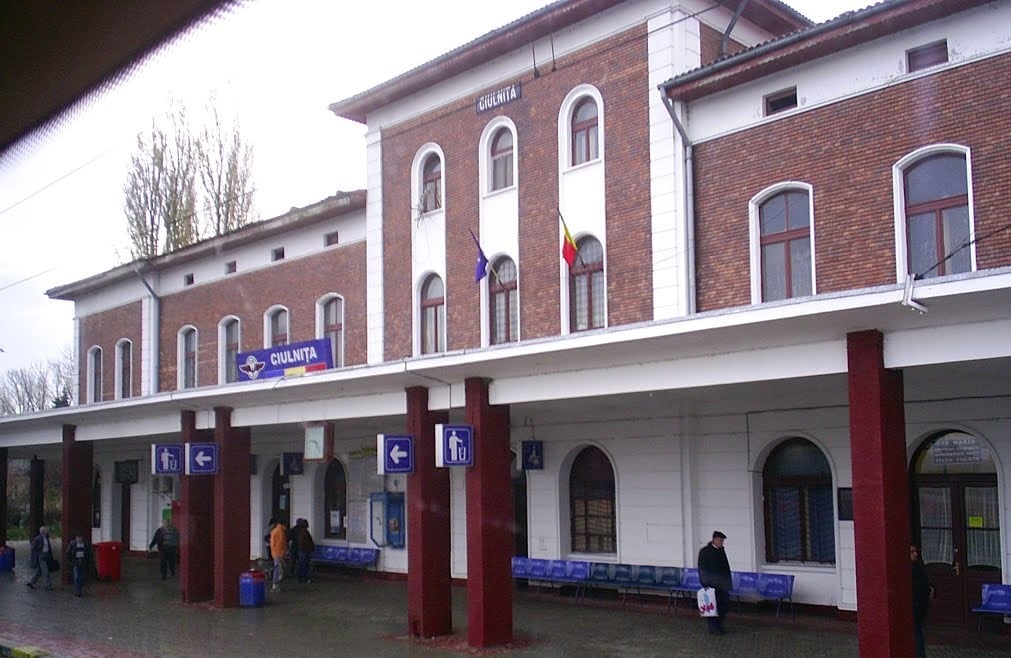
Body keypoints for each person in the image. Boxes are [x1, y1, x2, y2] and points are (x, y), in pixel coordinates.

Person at [698, 530, 732, 635]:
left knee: (723, 606)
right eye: (720, 540)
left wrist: (728, 582)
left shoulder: (721, 551)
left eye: (722, 541)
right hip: (711, 584)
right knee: (712, 607)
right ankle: (713, 627)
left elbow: (726, 568)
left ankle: (719, 625)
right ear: (714, 540)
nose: (722, 543)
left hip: (723, 584)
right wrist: (705, 583)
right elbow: (702, 568)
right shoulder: (705, 552)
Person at [911, 544, 934, 658]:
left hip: (919, 606)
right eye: (912, 552)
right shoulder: (909, 570)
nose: (915, 554)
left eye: (915, 551)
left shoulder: (918, 567)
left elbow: (924, 583)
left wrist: (930, 588)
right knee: (916, 634)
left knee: (917, 632)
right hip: (914, 607)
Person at [27, 525, 55, 591]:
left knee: (39, 571)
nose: (48, 531)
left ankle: (32, 582)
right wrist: (38, 553)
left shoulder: (46, 537)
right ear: (43, 531)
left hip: (47, 556)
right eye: (46, 530)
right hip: (41, 556)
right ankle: (48, 585)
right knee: (46, 571)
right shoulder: (38, 538)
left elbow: (48, 547)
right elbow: (33, 547)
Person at [66, 533, 91, 597]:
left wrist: (89, 562)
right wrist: (70, 562)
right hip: (75, 562)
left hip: (83, 561)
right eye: (78, 538)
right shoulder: (72, 544)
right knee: (76, 577)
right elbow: (68, 553)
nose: (79, 539)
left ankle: (79, 589)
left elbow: (89, 554)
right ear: (76, 538)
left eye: (80, 538)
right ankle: (78, 591)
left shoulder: (85, 544)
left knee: (82, 577)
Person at [291, 518, 315, 583]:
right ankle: (303, 577)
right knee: (303, 564)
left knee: (301, 564)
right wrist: (310, 548)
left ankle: (300, 577)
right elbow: (306, 542)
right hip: (304, 550)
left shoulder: (300, 531)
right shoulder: (304, 532)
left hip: (301, 550)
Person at [269, 517, 288, 591]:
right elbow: (281, 543)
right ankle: (276, 584)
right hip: (279, 553)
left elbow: (273, 543)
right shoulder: (280, 531)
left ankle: (275, 584)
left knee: (277, 568)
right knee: (279, 569)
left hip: (275, 552)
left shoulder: (274, 530)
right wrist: (284, 552)